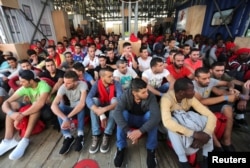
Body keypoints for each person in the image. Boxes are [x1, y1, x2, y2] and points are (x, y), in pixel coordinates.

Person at [161, 78, 216, 168]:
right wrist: (194, 134)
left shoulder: (189, 98)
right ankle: (183, 160)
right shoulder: (166, 98)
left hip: (184, 121)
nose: (194, 92)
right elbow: (167, 122)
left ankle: (206, 155)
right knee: (172, 126)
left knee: (205, 119)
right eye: (192, 90)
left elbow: (211, 116)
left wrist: (205, 134)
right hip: (166, 127)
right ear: (182, 92)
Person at [0, 70, 51, 160]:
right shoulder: (25, 87)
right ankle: (8, 140)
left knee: (35, 104)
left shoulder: (43, 85)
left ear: (31, 81)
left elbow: (40, 104)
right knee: (12, 105)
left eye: (23, 81)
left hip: (46, 111)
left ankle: (25, 139)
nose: (21, 83)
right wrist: (12, 114)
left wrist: (21, 115)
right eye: (20, 81)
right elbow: (6, 103)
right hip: (32, 109)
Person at [113, 78, 160, 168]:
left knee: (153, 118)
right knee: (122, 114)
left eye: (146, 91)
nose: (147, 93)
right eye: (143, 92)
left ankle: (151, 149)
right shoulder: (126, 95)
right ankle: (121, 147)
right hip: (130, 119)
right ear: (134, 93)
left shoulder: (150, 96)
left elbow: (156, 117)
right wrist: (128, 131)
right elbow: (116, 112)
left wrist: (140, 131)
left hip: (143, 120)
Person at [193, 67, 238, 152]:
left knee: (228, 108)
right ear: (196, 78)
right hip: (195, 109)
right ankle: (216, 143)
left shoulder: (211, 81)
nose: (208, 81)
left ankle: (226, 141)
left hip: (207, 104)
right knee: (205, 110)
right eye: (204, 79)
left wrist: (231, 89)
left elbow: (228, 83)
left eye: (208, 77)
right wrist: (226, 97)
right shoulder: (192, 86)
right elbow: (202, 101)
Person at [86, 67, 123, 154]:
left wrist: (104, 109)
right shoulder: (96, 84)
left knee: (115, 100)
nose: (112, 78)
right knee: (93, 101)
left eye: (112, 76)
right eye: (109, 76)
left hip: (111, 108)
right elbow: (88, 98)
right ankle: (96, 134)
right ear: (102, 78)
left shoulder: (116, 84)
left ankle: (107, 134)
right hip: (100, 107)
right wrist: (98, 111)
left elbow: (121, 100)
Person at [51, 70, 88, 154]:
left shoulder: (82, 85)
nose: (65, 84)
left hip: (83, 110)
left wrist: (67, 118)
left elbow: (82, 104)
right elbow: (53, 105)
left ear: (75, 82)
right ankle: (68, 136)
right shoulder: (63, 87)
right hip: (71, 109)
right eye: (64, 82)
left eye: (68, 83)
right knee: (60, 107)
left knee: (79, 105)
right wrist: (65, 119)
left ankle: (80, 134)